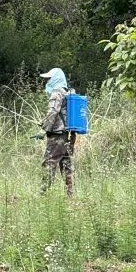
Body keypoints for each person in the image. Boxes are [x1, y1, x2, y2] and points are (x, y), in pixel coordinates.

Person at [39, 67, 74, 195]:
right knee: (66, 165)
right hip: (67, 134)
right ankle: (70, 195)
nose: (47, 82)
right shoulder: (66, 92)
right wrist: (45, 123)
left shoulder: (56, 92)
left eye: (49, 79)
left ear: (55, 79)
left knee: (49, 162)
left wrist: (44, 130)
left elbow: (53, 112)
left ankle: (43, 194)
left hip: (57, 134)